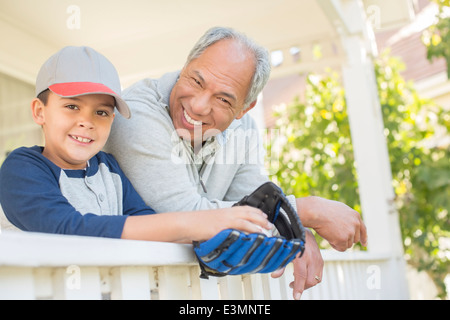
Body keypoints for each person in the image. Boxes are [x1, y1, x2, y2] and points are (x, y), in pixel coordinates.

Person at [104, 27, 368, 299]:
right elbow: (186, 215)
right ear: (186, 66)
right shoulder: (136, 114)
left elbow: (254, 200)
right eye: (196, 81)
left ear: (245, 108)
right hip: (117, 286)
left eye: (223, 99)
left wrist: (291, 227)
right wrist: (303, 211)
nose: (198, 106)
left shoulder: (243, 130)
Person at [0, 46, 272, 242]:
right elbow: (68, 228)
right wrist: (201, 222)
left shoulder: (110, 170)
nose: (87, 121)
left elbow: (149, 223)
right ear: (39, 112)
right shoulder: (22, 168)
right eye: (72, 106)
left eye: (102, 112)